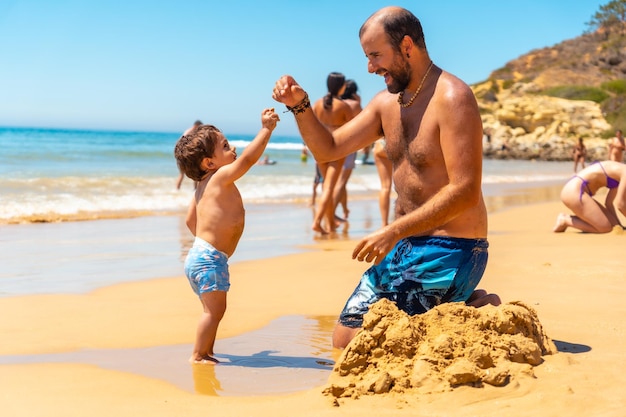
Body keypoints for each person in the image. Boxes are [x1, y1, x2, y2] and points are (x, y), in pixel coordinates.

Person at [273, 6, 499, 349]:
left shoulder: (453, 98)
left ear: (407, 46)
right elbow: (329, 148)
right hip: (406, 245)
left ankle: (474, 309)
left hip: (452, 247)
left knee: (375, 342)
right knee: (344, 337)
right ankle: (466, 306)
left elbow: (465, 191)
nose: (369, 67)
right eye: (367, 57)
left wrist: (393, 230)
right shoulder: (385, 104)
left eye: (376, 55)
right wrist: (300, 106)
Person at [173, 109, 280, 363]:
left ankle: (207, 351)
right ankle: (198, 355)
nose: (232, 150)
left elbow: (191, 219)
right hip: (210, 259)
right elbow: (247, 161)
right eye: (225, 147)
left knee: (212, 310)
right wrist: (266, 129)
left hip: (202, 255)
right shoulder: (220, 177)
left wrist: (204, 241)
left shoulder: (202, 186)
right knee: (214, 311)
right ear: (209, 163)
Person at [310, 72, 352, 234]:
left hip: (319, 149)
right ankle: (317, 222)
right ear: (341, 87)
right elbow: (353, 128)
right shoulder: (343, 106)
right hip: (336, 148)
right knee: (329, 187)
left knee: (325, 186)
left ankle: (329, 223)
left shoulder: (317, 104)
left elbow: (311, 127)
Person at [553, 160, 626, 233]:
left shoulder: (621, 173)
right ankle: (565, 220)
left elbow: (609, 203)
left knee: (614, 226)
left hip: (577, 192)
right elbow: (620, 204)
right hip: (574, 192)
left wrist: (618, 225)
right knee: (605, 228)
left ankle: (571, 220)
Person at [333, 79, 363, 221]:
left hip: (335, 144)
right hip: (350, 146)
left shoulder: (336, 103)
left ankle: (344, 210)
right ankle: (330, 213)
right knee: (342, 182)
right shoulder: (355, 105)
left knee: (339, 181)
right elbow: (364, 124)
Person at [176, 120, 203, 190]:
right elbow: (182, 144)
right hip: (184, 155)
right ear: (196, 126)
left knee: (194, 172)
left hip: (183, 155)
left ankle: (194, 189)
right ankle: (177, 189)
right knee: (184, 173)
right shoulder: (189, 132)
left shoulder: (190, 132)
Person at [373, 138, 392, 226]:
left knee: (385, 187)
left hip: (379, 144)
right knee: (403, 185)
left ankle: (384, 223)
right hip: (394, 143)